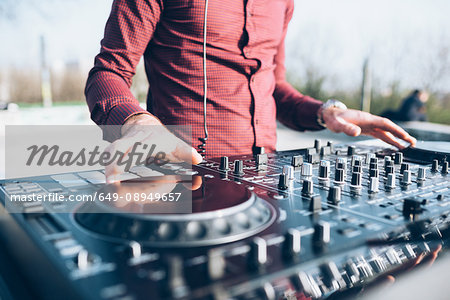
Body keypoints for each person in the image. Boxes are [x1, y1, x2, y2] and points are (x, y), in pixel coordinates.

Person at [85, 0, 416, 182]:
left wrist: (327, 111)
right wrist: (137, 122)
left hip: (268, 181)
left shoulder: (282, 4)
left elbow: (275, 88)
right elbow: (108, 72)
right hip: (182, 178)